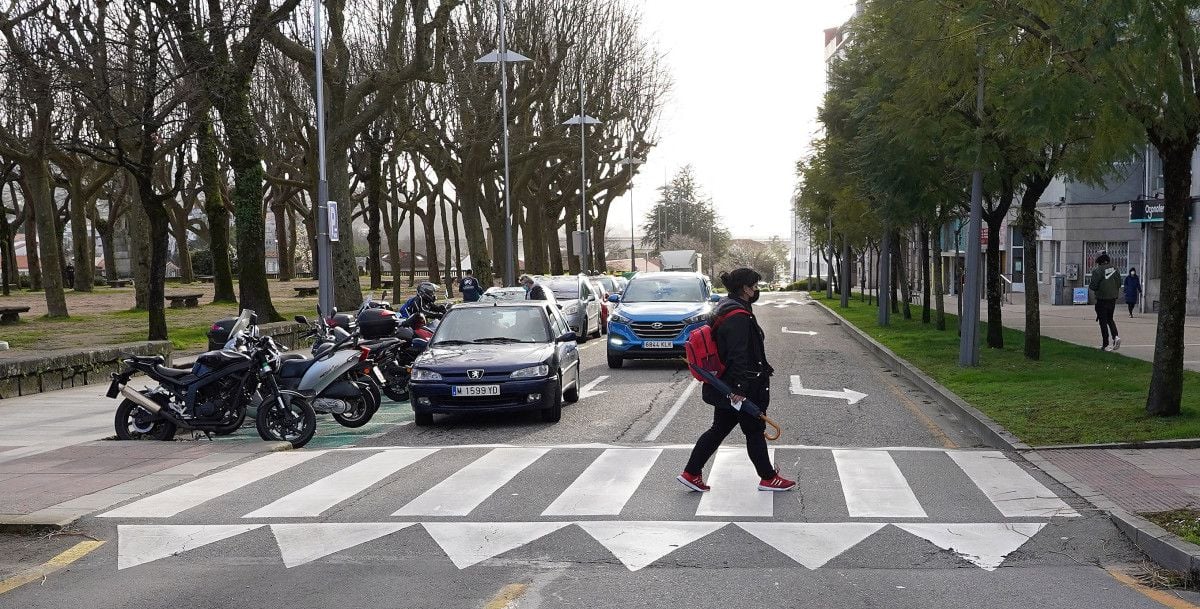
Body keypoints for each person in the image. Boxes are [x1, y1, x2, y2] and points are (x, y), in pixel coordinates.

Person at [677, 267, 795, 493]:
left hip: (726, 383)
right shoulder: (738, 316)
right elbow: (738, 354)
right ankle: (768, 478)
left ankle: (691, 472)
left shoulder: (725, 306)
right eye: (754, 286)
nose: (756, 290)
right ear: (745, 289)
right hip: (741, 385)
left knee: (719, 429)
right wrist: (740, 389)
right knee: (753, 429)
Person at [1088, 253, 1122, 351]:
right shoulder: (1115, 269)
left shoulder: (1098, 270)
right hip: (1112, 299)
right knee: (1110, 319)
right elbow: (1119, 283)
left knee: (1103, 321)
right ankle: (1116, 337)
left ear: (1098, 260)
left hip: (1102, 299)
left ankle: (1105, 344)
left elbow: (1093, 286)